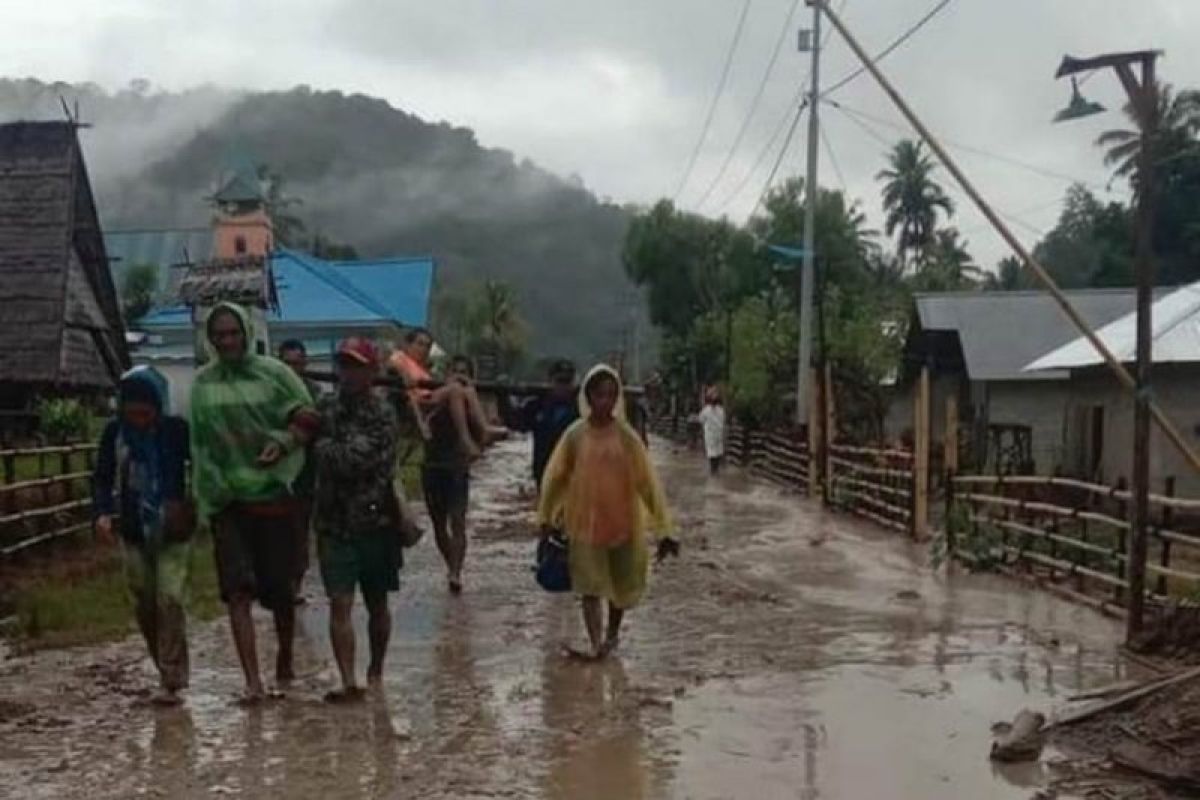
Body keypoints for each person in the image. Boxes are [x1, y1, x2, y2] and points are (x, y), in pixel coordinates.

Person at [189, 302, 319, 705]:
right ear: (210, 339)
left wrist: (283, 443)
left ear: (246, 333)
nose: (227, 340)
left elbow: (309, 419)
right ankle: (252, 681)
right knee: (237, 591)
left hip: (275, 498)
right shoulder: (202, 384)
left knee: (280, 592)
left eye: (233, 333)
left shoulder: (276, 374)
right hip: (228, 501)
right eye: (219, 335)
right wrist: (210, 490)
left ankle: (284, 658)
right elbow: (201, 444)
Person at [537, 364, 679, 661]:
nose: (605, 401)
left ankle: (613, 634)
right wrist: (546, 518)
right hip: (584, 524)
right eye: (600, 395)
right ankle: (595, 641)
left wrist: (664, 528)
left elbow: (648, 483)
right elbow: (555, 478)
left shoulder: (627, 437)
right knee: (589, 586)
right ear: (588, 396)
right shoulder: (575, 436)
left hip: (623, 522)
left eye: (611, 395)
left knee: (620, 586)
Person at [93, 366, 193, 706]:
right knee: (143, 600)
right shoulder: (114, 435)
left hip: (173, 529)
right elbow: (103, 477)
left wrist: (196, 502)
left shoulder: (176, 431)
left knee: (170, 598)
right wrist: (103, 512)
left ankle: (172, 675)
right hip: (133, 529)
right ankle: (162, 663)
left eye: (144, 411)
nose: (138, 418)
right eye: (131, 411)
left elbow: (200, 465)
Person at [312, 337, 401, 703]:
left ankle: (376, 669)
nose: (348, 374)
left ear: (372, 371)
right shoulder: (326, 407)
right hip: (334, 524)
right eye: (344, 366)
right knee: (340, 602)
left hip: (375, 523)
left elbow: (356, 461)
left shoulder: (383, 414)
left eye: (356, 366)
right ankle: (348, 679)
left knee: (378, 603)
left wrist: (321, 447)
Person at [388, 327, 493, 460]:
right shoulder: (401, 357)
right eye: (420, 344)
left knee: (467, 389)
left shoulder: (423, 368)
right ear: (408, 345)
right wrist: (404, 374)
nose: (424, 349)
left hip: (430, 399)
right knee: (455, 388)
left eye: (427, 346)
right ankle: (465, 441)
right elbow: (393, 364)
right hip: (416, 402)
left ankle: (483, 428)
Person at [423, 354, 481, 594]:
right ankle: (452, 565)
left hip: (457, 467)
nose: (459, 377)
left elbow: (482, 436)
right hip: (432, 466)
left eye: (464, 372)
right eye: (455, 371)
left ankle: (455, 571)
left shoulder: (471, 404)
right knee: (438, 525)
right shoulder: (435, 398)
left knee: (458, 522)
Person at [278, 339, 320, 603]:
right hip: (272, 474)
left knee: (299, 532)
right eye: (287, 364)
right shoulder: (269, 393)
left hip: (305, 473)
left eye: (297, 363)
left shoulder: (313, 393)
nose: (293, 369)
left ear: (305, 364)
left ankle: (295, 584)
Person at [498, 359, 579, 489]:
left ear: (574, 383)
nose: (563, 387)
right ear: (550, 381)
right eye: (559, 381)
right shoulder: (537, 405)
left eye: (567, 382)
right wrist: (502, 397)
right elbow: (515, 422)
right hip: (544, 474)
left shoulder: (582, 410)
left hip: (574, 476)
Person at [698, 388, 727, 476]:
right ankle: (714, 472)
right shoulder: (708, 410)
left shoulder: (719, 410)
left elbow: (701, 420)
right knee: (713, 455)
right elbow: (701, 420)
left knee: (716, 455)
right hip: (712, 436)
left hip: (717, 436)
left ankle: (714, 472)